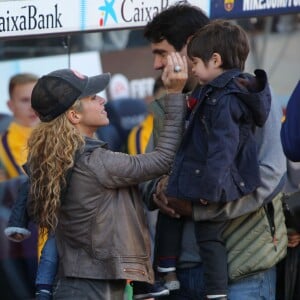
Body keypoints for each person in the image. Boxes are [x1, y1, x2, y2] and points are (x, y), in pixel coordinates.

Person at [132, 2, 287, 300]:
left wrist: (204, 208)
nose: (156, 65)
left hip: (242, 268)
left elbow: (271, 175)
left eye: (161, 53)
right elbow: (150, 171)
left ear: (191, 47)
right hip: (181, 270)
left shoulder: (248, 96)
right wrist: (158, 190)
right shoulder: (172, 101)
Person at [11, 57, 188, 300]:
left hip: (80, 285)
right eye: (93, 97)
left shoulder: (59, 159)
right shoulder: (95, 162)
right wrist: (175, 94)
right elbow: (163, 159)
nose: (103, 100)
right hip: (90, 289)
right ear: (74, 115)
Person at [0, 73, 40, 300]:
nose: (32, 106)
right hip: (21, 248)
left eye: (36, 98)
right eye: (25, 100)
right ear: (10, 105)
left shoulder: (67, 138)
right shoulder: (2, 147)